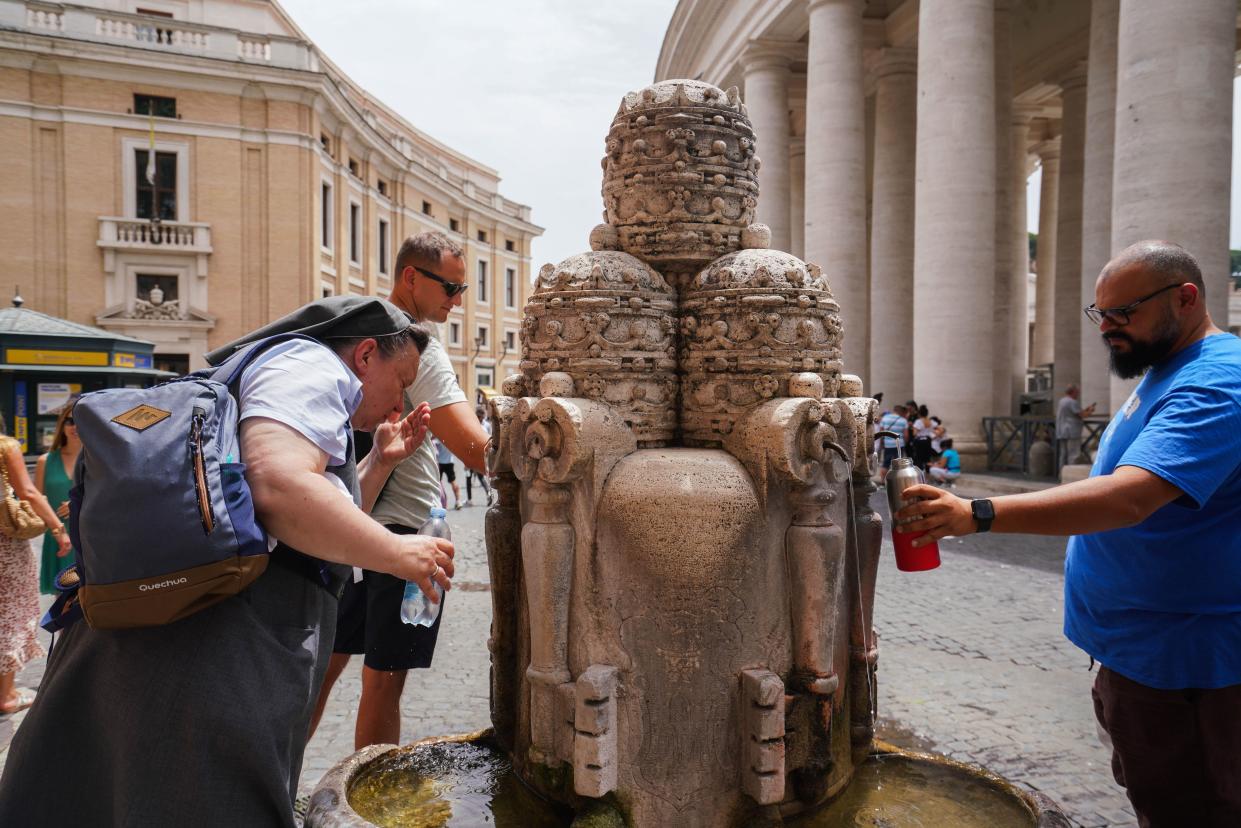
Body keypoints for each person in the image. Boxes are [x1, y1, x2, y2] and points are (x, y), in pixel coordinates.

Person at [0, 296, 454, 826]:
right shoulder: (310, 365)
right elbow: (278, 487)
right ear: (366, 354)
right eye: (401, 383)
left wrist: (377, 461)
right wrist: (400, 551)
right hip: (214, 649)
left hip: (182, 636)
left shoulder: (284, 376)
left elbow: (310, 525)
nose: (399, 405)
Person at [895, 241, 1241, 827]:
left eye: (1123, 313)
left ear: (1185, 299)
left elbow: (1132, 496)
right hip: (1143, 655)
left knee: (1193, 809)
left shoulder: (1219, 381)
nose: (1107, 328)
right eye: (1099, 313)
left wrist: (979, 513)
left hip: (1192, 668)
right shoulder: (1164, 365)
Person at [310, 231, 490, 753]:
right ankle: (371, 798)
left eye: (462, 291)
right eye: (450, 288)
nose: (456, 302)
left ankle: (273, 792)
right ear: (411, 277)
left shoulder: (364, 331)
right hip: (402, 532)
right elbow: (475, 450)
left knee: (321, 670)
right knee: (384, 681)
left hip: (350, 523)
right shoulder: (418, 347)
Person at [0, 421, 68, 716]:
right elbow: (28, 491)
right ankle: (6, 695)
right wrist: (57, 528)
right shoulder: (5, 447)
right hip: (5, 543)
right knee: (10, 611)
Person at [35, 401, 79, 594]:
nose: (75, 426)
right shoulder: (45, 461)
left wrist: (79, 502)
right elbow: (35, 503)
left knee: (89, 603)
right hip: (58, 539)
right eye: (69, 421)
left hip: (88, 540)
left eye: (80, 420)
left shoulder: (99, 459)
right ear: (62, 424)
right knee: (62, 604)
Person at [1055, 383, 1097, 467]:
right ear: (1073, 392)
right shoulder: (1072, 402)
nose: (1078, 394)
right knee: (1073, 454)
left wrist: (1086, 410)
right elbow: (1083, 415)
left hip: (1062, 430)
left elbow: (1074, 413)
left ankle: (1061, 474)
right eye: (1077, 392)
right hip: (1071, 431)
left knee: (1063, 454)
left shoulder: (1062, 401)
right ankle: (1070, 475)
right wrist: (1091, 411)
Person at [464, 406, 493, 507]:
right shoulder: (479, 425)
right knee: (475, 477)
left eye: (480, 417)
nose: (480, 418)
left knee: (473, 477)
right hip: (473, 454)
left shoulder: (481, 425)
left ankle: (470, 499)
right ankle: (472, 499)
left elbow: (490, 440)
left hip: (476, 455)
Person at [877, 403, 909, 482]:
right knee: (898, 464)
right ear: (901, 411)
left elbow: (881, 432)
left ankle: (882, 481)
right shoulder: (903, 420)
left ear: (894, 410)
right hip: (899, 445)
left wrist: (881, 443)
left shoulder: (885, 418)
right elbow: (906, 435)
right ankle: (897, 481)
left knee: (886, 463)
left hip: (888, 445)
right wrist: (905, 443)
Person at [435, 435, 462, 509]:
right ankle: (458, 501)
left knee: (438, 483)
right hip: (450, 462)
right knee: (453, 481)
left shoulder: (438, 437)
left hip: (440, 463)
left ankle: (440, 501)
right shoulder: (451, 438)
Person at [909, 404, 936, 470]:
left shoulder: (918, 421)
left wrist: (913, 428)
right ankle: (927, 473)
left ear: (919, 414)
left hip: (919, 441)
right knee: (927, 457)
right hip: (928, 440)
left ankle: (919, 474)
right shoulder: (931, 421)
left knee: (918, 458)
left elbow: (915, 433)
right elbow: (937, 429)